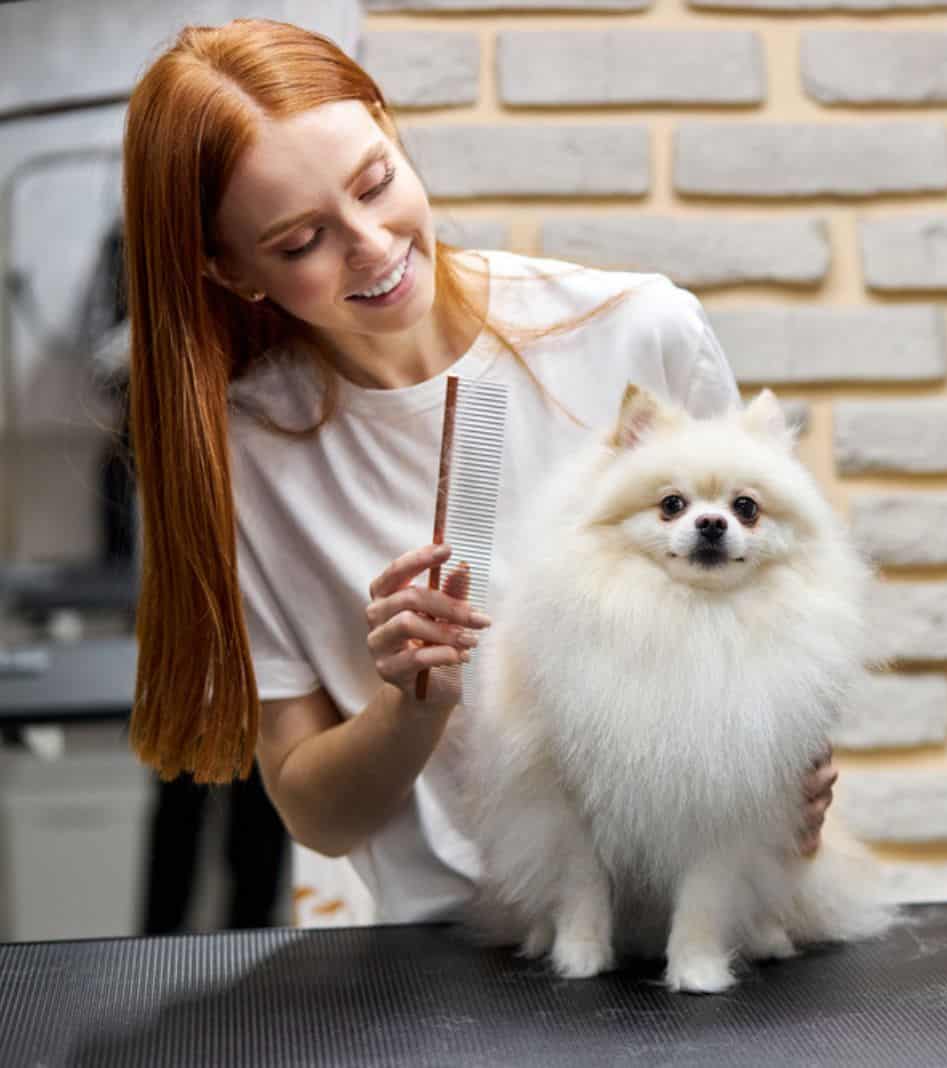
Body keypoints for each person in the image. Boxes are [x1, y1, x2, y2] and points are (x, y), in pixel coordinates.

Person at [120, 17, 837, 928]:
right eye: (302, 241)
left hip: (682, 932)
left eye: (376, 183)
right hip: (439, 957)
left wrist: (787, 779)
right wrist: (409, 706)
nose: (373, 246)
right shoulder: (251, 454)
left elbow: (786, 606)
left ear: (390, 130)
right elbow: (317, 815)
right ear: (227, 270)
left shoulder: (635, 333)